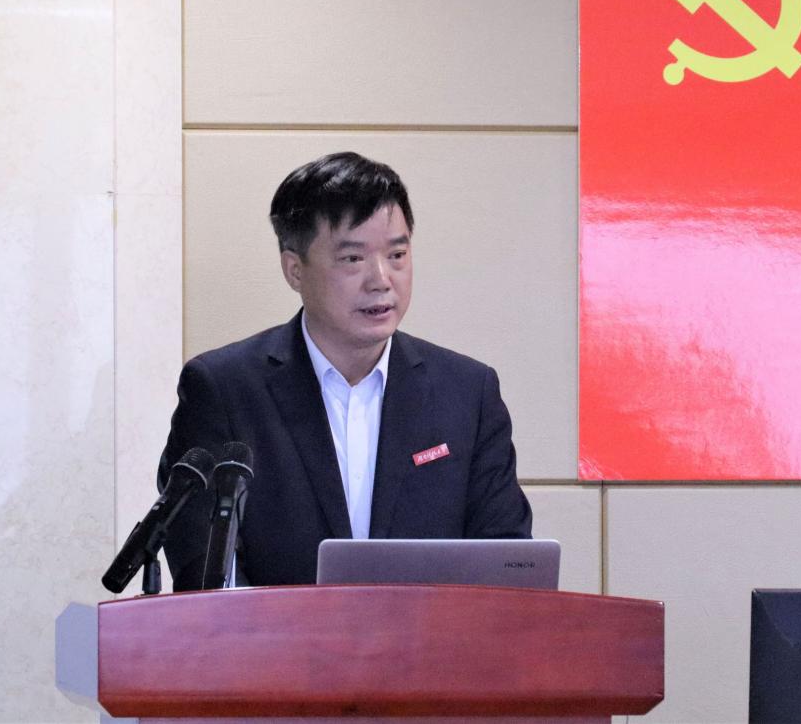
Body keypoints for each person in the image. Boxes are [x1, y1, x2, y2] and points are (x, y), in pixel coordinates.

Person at [159, 151, 531, 590]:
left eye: (397, 254)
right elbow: (201, 570)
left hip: (430, 636)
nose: (381, 279)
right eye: (353, 259)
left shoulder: (467, 393)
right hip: (273, 636)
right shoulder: (224, 389)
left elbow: (505, 565)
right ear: (294, 270)